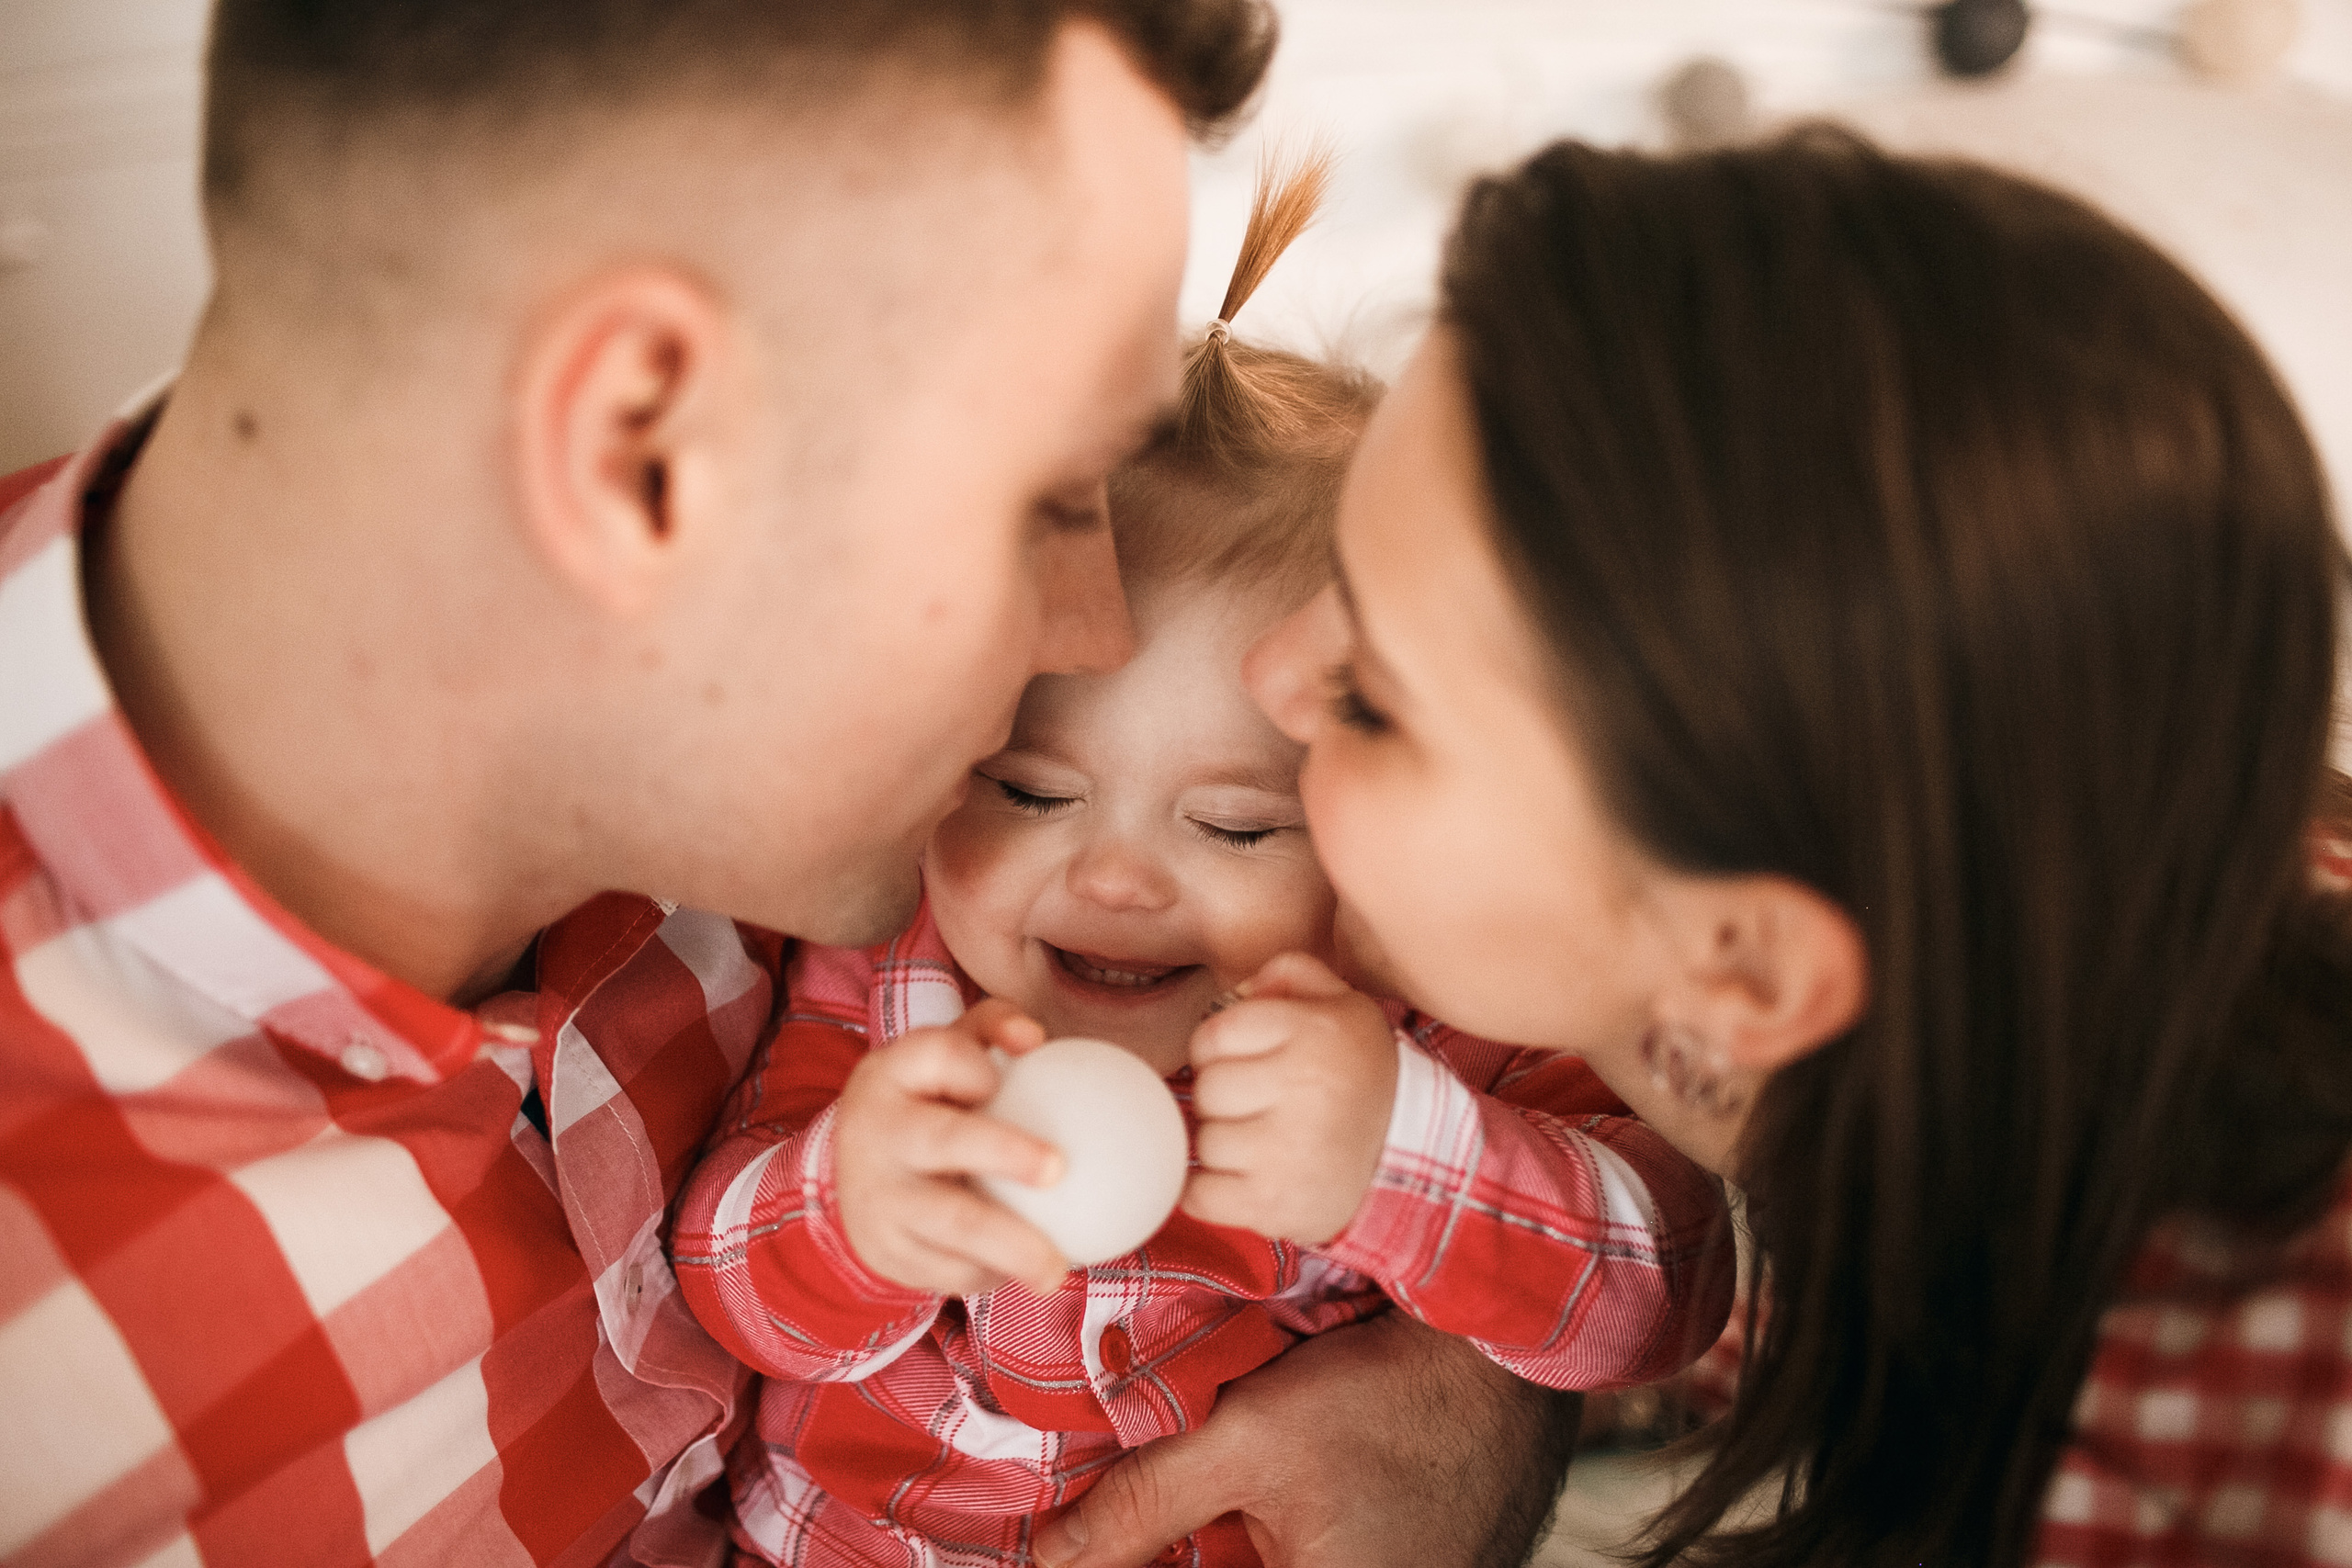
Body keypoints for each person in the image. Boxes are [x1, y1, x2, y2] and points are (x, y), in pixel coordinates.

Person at [0, 6, 1576, 1565]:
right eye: (1046, 501)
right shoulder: (61, 1415)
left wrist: (1464, 1391)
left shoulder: (746, 762)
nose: (1093, 634)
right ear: (641, 454)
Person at [1245, 126, 2352, 1567]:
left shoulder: (2173, 1482)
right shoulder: (2036, 938)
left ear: (1746, 973)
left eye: (1372, 703)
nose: (1272, 672)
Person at [666, 158, 1734, 1567]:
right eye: (1027, 789)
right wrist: (855, 1212)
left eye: (1234, 826)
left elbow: (1662, 1291)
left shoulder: (1408, 1003)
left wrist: (1397, 1162)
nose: (1114, 880)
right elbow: (723, 1284)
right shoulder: (891, 976)